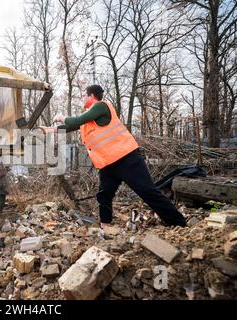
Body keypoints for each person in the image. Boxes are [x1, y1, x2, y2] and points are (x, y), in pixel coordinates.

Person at [44, 84, 186, 228]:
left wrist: (61, 117)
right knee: (104, 195)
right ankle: (105, 227)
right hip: (108, 164)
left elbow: (74, 121)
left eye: (84, 96)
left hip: (127, 159)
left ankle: (179, 223)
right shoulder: (90, 118)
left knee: (147, 191)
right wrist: (48, 130)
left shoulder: (100, 106)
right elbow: (70, 126)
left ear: (91, 96)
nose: (82, 99)